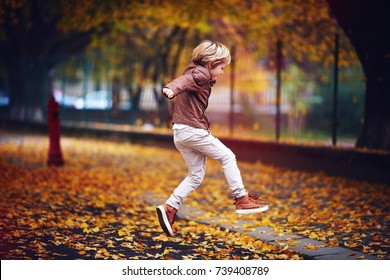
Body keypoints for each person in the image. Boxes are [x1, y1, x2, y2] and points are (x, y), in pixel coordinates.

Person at [156, 40, 268, 236]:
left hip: (181, 132)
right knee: (228, 156)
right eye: (222, 67)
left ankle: (170, 207)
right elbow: (184, 81)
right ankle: (242, 199)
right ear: (210, 64)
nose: (223, 72)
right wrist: (171, 89)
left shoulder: (198, 73)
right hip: (192, 131)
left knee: (195, 175)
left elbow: (186, 79)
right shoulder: (200, 73)